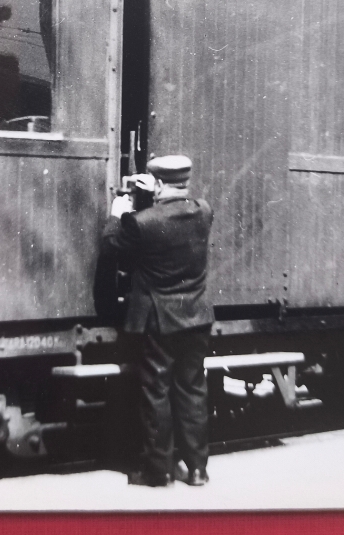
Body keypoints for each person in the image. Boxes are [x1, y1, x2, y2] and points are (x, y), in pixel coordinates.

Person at [101, 155, 214, 487]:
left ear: (159, 184)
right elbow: (174, 216)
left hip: (159, 321)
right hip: (196, 317)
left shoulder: (142, 223)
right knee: (193, 391)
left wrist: (118, 213)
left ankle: (158, 471)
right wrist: (156, 195)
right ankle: (197, 469)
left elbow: (111, 247)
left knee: (157, 393)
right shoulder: (204, 211)